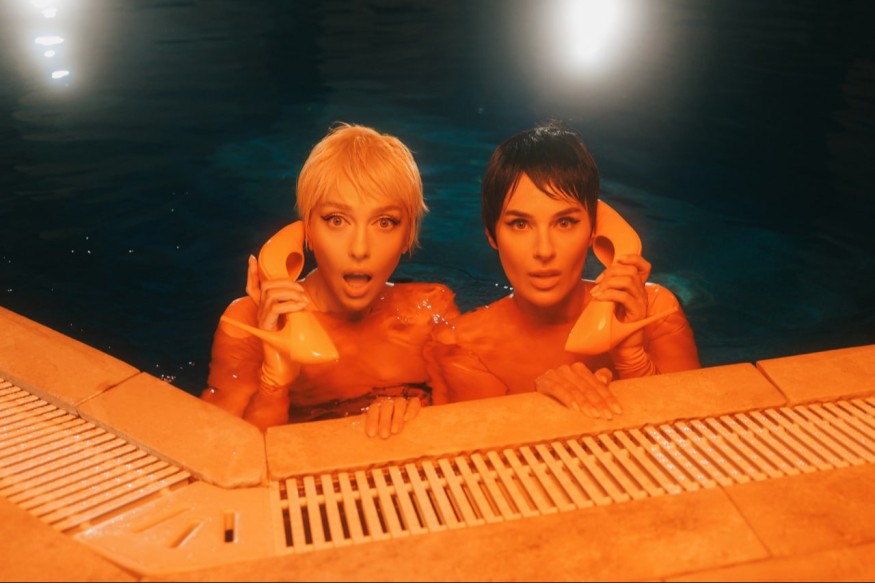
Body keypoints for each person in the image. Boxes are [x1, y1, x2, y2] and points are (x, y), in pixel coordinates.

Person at [425, 121, 700, 419]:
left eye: (565, 222)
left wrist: (632, 357)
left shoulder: (656, 311)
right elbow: (483, 445)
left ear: (594, 230)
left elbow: (697, 433)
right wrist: (539, 404)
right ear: (492, 235)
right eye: (520, 224)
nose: (544, 250)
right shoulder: (463, 347)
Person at [202, 122, 459, 437]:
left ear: (407, 236)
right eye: (337, 220)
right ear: (307, 231)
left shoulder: (430, 313)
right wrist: (274, 382)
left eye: (384, 222)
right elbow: (223, 452)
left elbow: (471, 425)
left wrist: (417, 417)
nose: (359, 249)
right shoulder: (246, 325)